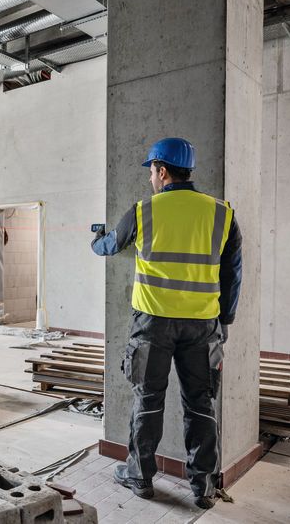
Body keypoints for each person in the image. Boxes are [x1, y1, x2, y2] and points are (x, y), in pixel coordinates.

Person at [91, 138, 242, 509]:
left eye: (151, 173)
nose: (150, 180)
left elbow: (110, 245)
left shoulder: (145, 211)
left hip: (152, 324)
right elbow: (233, 273)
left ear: (162, 170)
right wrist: (225, 320)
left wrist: (95, 239)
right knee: (201, 404)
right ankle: (203, 486)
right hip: (202, 326)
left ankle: (140, 478)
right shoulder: (222, 213)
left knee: (148, 401)